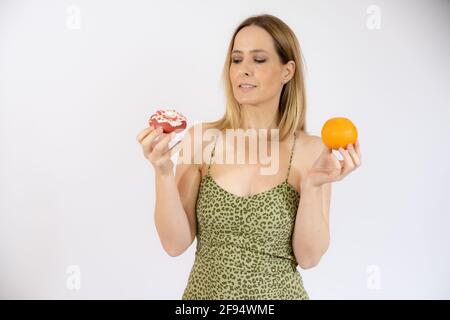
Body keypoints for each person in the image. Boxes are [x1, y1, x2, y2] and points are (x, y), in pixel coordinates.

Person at [136, 14, 362, 300]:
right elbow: (174, 244)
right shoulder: (202, 140)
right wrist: (163, 172)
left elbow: (309, 257)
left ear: (287, 71)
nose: (244, 70)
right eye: (237, 59)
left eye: (259, 60)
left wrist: (314, 186)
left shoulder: (312, 151)